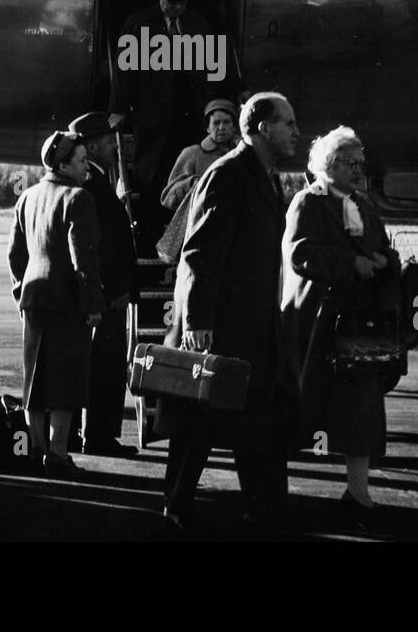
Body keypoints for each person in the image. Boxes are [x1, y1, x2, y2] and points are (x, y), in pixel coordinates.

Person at [159, 91, 301, 532]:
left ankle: (264, 506)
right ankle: (178, 505)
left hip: (252, 324)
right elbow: (199, 253)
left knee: (257, 419)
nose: (297, 131)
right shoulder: (229, 174)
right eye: (289, 123)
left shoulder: (263, 175)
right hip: (221, 326)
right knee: (199, 422)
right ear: (262, 127)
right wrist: (198, 323)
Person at [281, 126, 399, 525]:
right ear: (327, 164)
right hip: (317, 325)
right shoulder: (306, 203)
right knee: (304, 406)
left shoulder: (364, 204)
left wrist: (385, 261)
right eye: (349, 163)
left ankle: (358, 490)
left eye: (360, 163)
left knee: (362, 408)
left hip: (357, 325)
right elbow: (299, 254)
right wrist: (351, 264)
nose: (357, 170)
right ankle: (278, 490)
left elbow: (382, 246)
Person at [8, 131, 107, 477]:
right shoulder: (78, 198)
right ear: (63, 164)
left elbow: (15, 254)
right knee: (67, 380)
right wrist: (93, 303)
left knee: (34, 380)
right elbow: (85, 260)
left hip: (34, 300)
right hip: (68, 302)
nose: (87, 168)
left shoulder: (28, 197)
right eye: (81, 161)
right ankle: (59, 454)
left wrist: (21, 292)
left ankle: (36, 450)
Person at [107, 0, 218, 251]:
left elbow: (216, 68)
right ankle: (148, 242)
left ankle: (183, 241)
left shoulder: (198, 25)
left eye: (182, 2)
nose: (177, 7)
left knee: (186, 177)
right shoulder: (138, 24)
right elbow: (123, 72)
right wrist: (118, 108)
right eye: (171, 1)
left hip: (189, 117)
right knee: (150, 178)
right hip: (153, 117)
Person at [67, 111, 138, 456]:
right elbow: (98, 246)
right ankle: (98, 437)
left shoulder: (95, 180)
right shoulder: (91, 185)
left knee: (98, 364)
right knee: (105, 365)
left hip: (104, 292)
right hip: (107, 295)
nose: (116, 148)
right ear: (92, 146)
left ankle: (88, 434)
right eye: (110, 143)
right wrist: (116, 290)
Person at [159, 99, 240, 213]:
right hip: (201, 222)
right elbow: (167, 198)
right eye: (216, 123)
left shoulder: (243, 154)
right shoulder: (192, 154)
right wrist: (194, 184)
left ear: (234, 126)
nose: (221, 127)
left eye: (227, 122)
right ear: (208, 128)